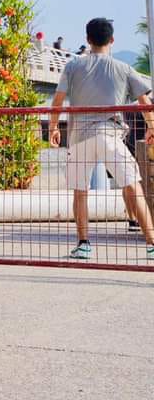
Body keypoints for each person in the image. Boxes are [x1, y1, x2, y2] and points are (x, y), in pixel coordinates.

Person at [48, 18, 154, 261]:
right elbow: (144, 101)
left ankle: (84, 243)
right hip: (109, 133)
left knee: (80, 191)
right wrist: (152, 127)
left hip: (80, 137)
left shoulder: (73, 67)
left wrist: (54, 127)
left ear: (87, 39)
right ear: (112, 40)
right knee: (132, 184)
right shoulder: (123, 68)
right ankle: (152, 243)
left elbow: (57, 100)